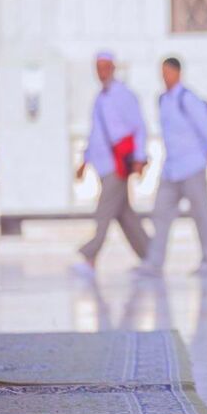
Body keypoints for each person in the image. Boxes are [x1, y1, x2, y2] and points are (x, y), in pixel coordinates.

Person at [134, 57, 207, 277]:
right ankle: (154, 262)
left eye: (168, 72)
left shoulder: (188, 98)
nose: (165, 77)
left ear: (177, 73)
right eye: (162, 72)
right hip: (171, 169)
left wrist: (206, 154)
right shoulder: (162, 100)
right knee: (160, 213)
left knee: (201, 214)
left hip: (193, 166)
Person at [75, 51, 150, 278]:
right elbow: (96, 134)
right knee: (124, 214)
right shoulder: (100, 98)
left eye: (106, 67)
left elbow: (139, 127)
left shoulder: (124, 95)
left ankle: (90, 258)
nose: (102, 72)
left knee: (104, 212)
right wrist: (84, 162)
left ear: (114, 68)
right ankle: (150, 255)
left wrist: (139, 157)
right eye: (99, 67)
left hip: (117, 165)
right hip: (102, 165)